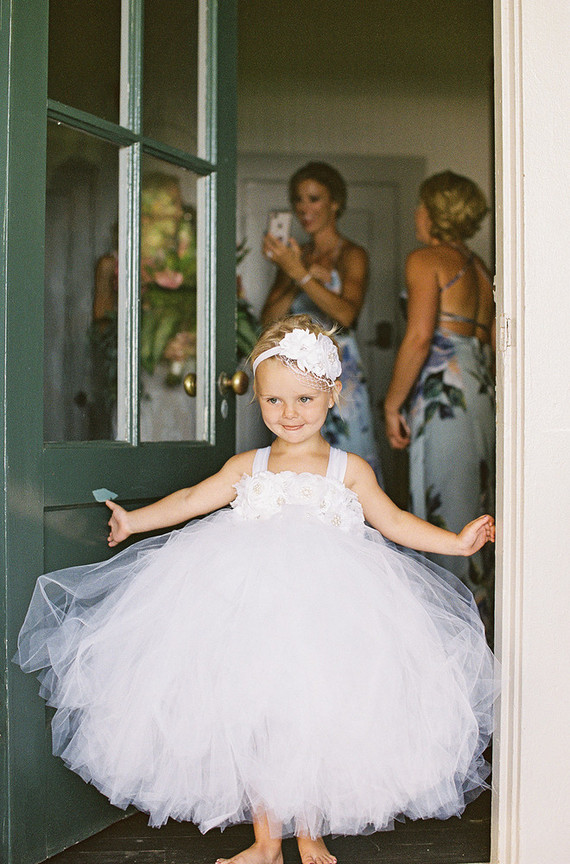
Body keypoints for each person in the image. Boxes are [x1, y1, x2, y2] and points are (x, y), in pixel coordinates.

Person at [15, 315, 497, 864]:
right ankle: (266, 840)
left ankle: (310, 835)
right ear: (258, 401)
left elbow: (394, 522)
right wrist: (135, 521)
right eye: (273, 402)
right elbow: (195, 497)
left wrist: (457, 543)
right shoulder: (250, 465)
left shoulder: (350, 469)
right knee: (258, 715)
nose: (289, 414)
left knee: (316, 711)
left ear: (333, 395)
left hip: (331, 612)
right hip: (250, 610)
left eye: (303, 399)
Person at [384, 170, 495, 637]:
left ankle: (445, 632)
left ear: (433, 211)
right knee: (470, 497)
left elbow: (419, 337)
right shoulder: (480, 268)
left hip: (441, 393)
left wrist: (392, 404)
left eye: (421, 203)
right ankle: (476, 622)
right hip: (478, 391)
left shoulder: (426, 258)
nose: (416, 213)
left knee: (442, 503)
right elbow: (485, 341)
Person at [262, 162, 382, 482]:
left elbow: (346, 315)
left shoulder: (352, 254)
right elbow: (268, 320)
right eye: (298, 200)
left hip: (342, 373)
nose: (304, 208)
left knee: (349, 463)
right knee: (299, 463)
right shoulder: (294, 255)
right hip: (296, 375)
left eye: (314, 199)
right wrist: (292, 271)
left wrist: (300, 274)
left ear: (335, 203)